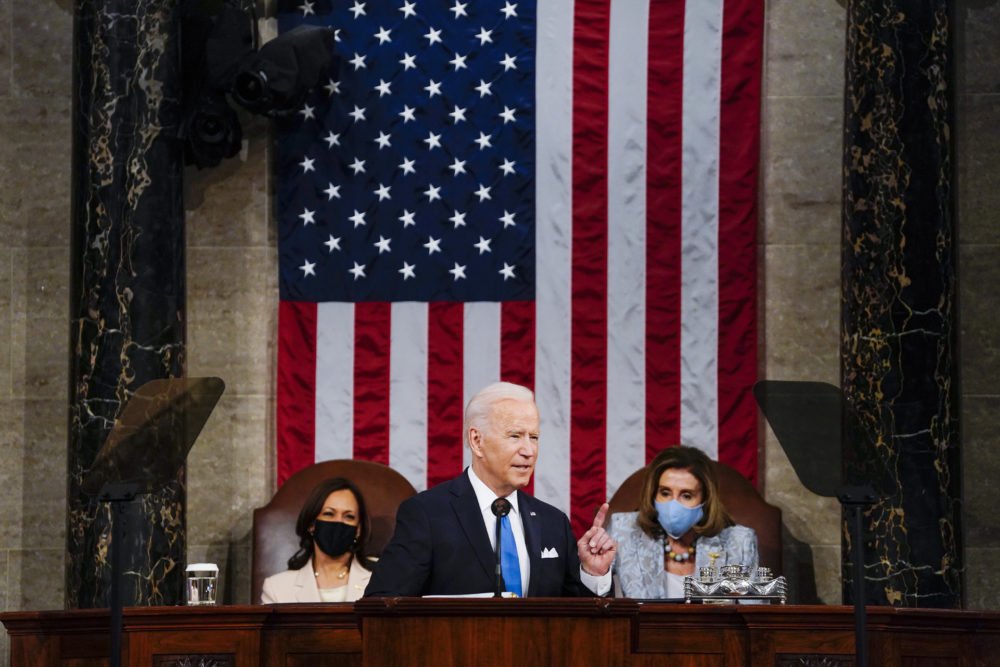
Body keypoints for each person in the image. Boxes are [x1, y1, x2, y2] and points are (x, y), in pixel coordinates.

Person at [365, 381, 615, 597]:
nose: (529, 451)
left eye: (534, 437)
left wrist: (593, 574)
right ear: (477, 441)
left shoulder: (553, 523)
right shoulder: (427, 515)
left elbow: (580, 617)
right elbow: (382, 605)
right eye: (515, 436)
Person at [608, 446, 758, 599]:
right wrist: (596, 574)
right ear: (653, 494)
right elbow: (599, 595)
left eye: (686, 495)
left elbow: (753, 610)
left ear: (706, 500)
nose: (673, 505)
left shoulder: (740, 542)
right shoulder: (623, 530)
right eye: (665, 493)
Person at [261, 477, 377, 603]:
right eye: (329, 514)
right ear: (311, 524)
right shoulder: (277, 588)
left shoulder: (379, 579)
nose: (338, 522)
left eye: (349, 516)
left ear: (358, 529)